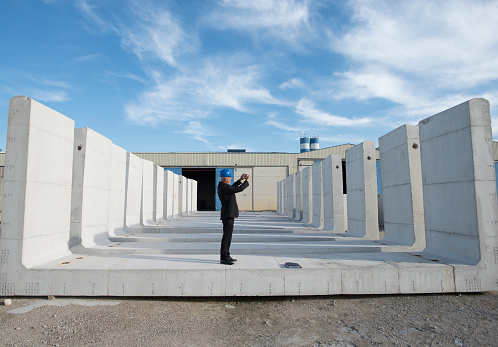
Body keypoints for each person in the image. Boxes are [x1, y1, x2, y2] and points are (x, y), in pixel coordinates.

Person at [217, 169, 250, 265]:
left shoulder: (224, 186)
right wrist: (246, 181)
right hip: (228, 215)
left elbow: (233, 188)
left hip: (228, 214)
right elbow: (238, 189)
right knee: (226, 237)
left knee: (228, 236)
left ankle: (226, 255)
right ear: (226, 179)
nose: (231, 178)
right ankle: (224, 257)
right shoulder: (223, 187)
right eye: (230, 177)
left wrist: (240, 180)